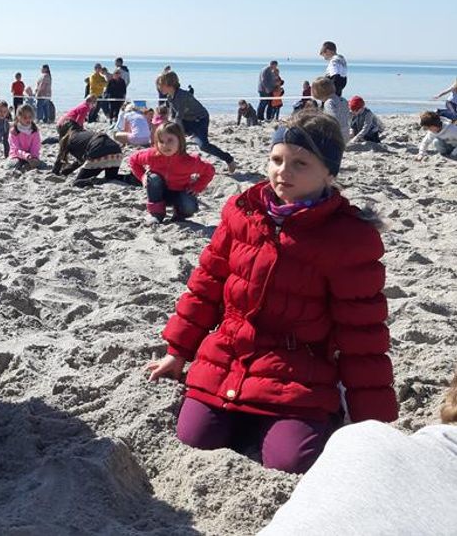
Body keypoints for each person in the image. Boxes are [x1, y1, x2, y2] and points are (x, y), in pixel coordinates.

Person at [146, 110, 397, 474]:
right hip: (229, 353)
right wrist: (178, 352)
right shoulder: (242, 212)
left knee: (290, 460)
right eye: (277, 160)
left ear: (329, 172)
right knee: (196, 437)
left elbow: (363, 332)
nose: (284, 171)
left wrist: (370, 420)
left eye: (300, 163)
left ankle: (295, 419)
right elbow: (206, 286)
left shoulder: (349, 238)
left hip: (299, 369)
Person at [259, 366, 457, 535]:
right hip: (253, 386)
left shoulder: (359, 438)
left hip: (303, 387)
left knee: (289, 456)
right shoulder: (361, 439)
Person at [128, 122, 215, 224]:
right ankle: (156, 214)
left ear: (180, 140)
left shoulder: (190, 161)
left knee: (189, 207)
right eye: (161, 141)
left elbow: (210, 170)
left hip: (179, 193)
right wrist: (142, 176)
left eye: (170, 140)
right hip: (158, 193)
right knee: (153, 178)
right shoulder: (152, 155)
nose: (165, 145)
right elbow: (133, 160)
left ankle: (179, 215)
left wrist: (197, 186)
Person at [158, 70, 237, 173]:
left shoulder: (182, 96)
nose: (159, 88)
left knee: (204, 146)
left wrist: (177, 133)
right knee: (172, 138)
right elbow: (172, 115)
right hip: (186, 120)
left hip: (199, 120)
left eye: (160, 85)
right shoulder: (169, 97)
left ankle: (229, 159)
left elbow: (178, 118)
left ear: (169, 84)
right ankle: (174, 164)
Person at [52, 121, 124, 187]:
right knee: (111, 178)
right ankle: (129, 177)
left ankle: (92, 180)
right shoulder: (85, 134)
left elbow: (60, 159)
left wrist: (56, 172)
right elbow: (81, 161)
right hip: (116, 151)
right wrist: (67, 171)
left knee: (77, 182)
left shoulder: (68, 138)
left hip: (99, 151)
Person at [312, 76, 350, 142]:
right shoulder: (343, 100)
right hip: (346, 134)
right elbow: (347, 116)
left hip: (336, 136)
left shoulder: (329, 103)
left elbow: (333, 120)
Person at [8, 103, 42, 170]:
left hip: (31, 156)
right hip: (16, 156)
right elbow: (15, 149)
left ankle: (27, 166)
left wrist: (33, 157)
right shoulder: (14, 131)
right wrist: (26, 156)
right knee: (14, 164)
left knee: (39, 164)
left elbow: (35, 147)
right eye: (25, 117)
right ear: (19, 117)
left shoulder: (34, 131)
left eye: (30, 117)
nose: (28, 119)